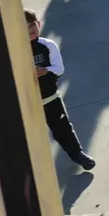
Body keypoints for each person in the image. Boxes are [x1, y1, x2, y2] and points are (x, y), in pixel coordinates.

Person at [26, 10, 96, 172]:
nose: (30, 30)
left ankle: (77, 154)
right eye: (25, 27)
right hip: (27, 102)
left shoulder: (48, 45)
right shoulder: (15, 51)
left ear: (39, 24)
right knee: (29, 135)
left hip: (50, 98)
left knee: (63, 129)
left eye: (32, 25)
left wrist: (46, 70)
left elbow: (59, 68)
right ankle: (32, 166)